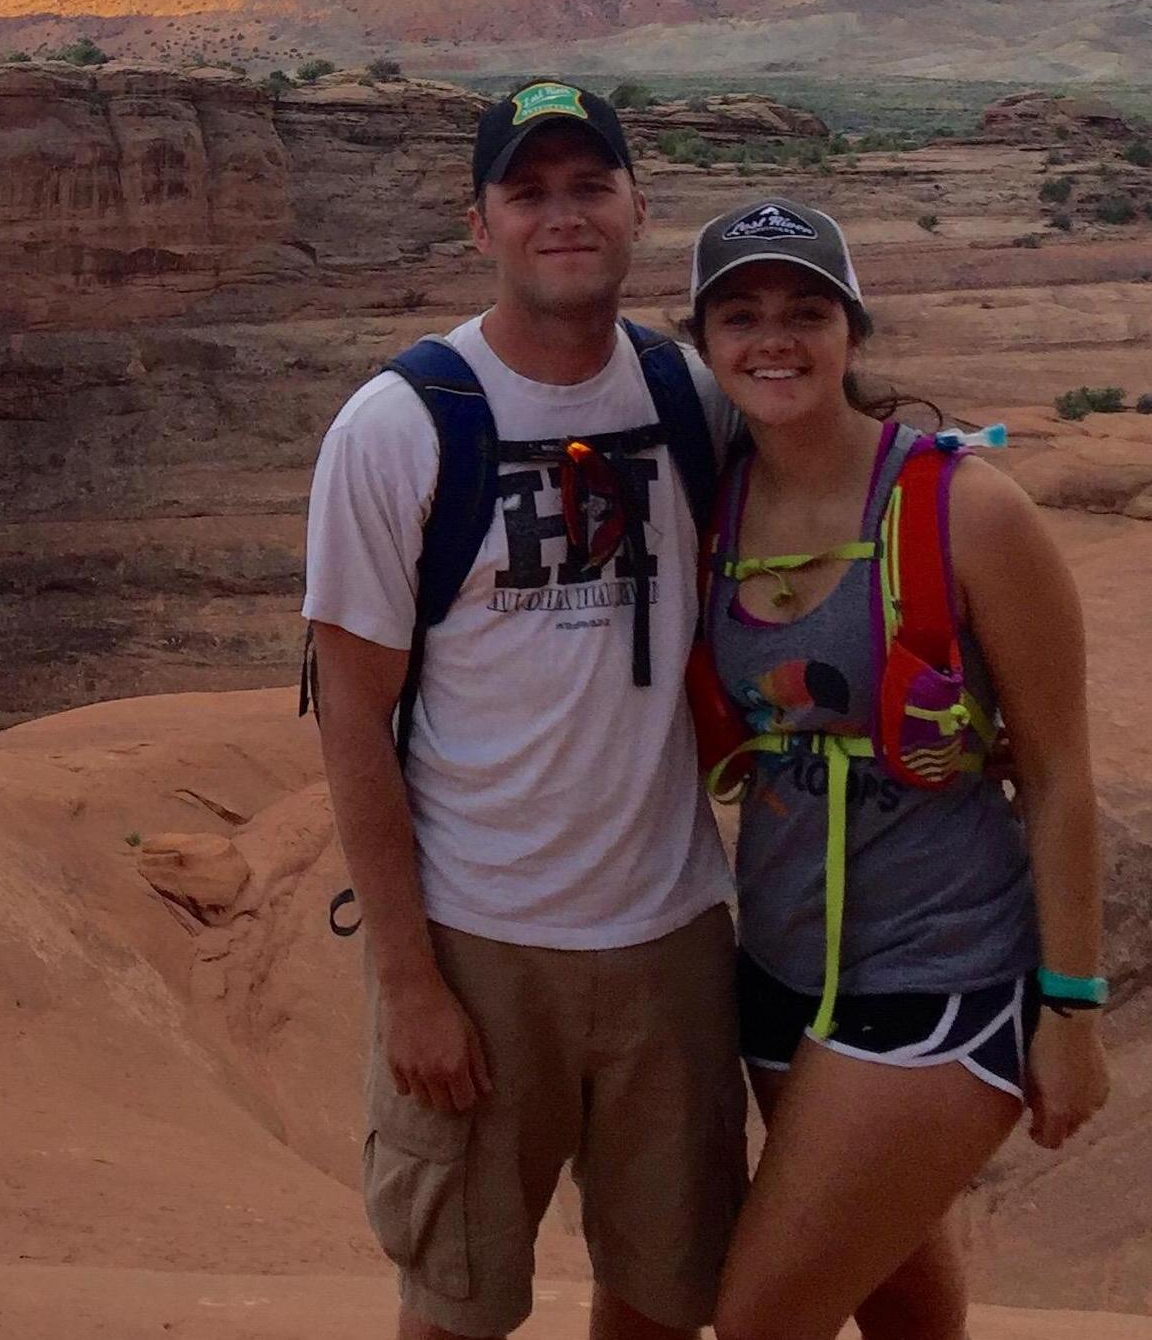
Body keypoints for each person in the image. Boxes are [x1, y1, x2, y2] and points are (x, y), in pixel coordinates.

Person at [303, 79, 747, 1340]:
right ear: (479, 221)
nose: (562, 214)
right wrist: (409, 980)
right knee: (457, 1303)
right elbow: (350, 715)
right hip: (478, 943)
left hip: (670, 940)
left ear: (635, 208)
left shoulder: (688, 401)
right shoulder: (397, 427)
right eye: (529, 191)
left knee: (663, 1296)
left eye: (588, 185)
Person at [686, 200, 1108, 1340]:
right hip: (778, 967)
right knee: (903, 1307)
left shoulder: (965, 505)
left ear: (851, 330)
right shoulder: (713, 504)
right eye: (741, 315)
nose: (775, 338)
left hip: (938, 969)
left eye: (805, 311)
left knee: (761, 1318)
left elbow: (1062, 771)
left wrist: (1070, 1008)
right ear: (706, 342)